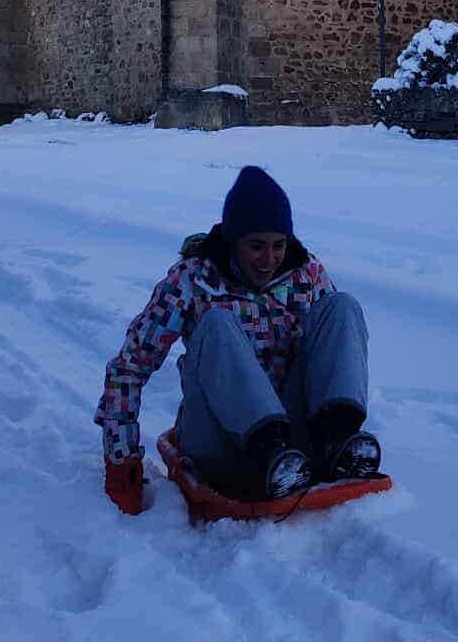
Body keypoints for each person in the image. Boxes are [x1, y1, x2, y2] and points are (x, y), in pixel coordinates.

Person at [98, 165, 381, 515]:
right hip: (219, 440)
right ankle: (267, 449)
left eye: (279, 246)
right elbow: (129, 367)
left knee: (342, 307)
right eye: (256, 246)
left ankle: (336, 439)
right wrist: (120, 458)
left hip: (295, 446)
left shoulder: (306, 274)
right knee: (217, 324)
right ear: (233, 241)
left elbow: (335, 348)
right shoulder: (192, 279)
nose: (269, 260)